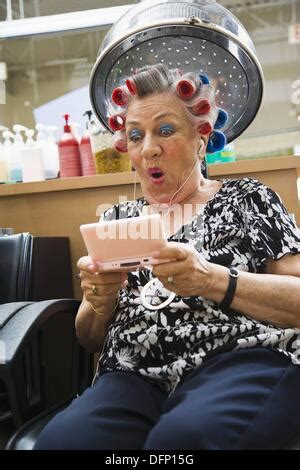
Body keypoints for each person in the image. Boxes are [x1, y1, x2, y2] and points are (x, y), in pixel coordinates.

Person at [35, 64, 300, 450]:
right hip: (132, 376)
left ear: (200, 138)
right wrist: (98, 299)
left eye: (165, 130)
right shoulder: (117, 220)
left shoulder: (247, 199)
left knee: (182, 442)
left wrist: (213, 279)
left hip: (238, 362)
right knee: (64, 443)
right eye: (136, 135)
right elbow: (89, 338)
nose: (149, 148)